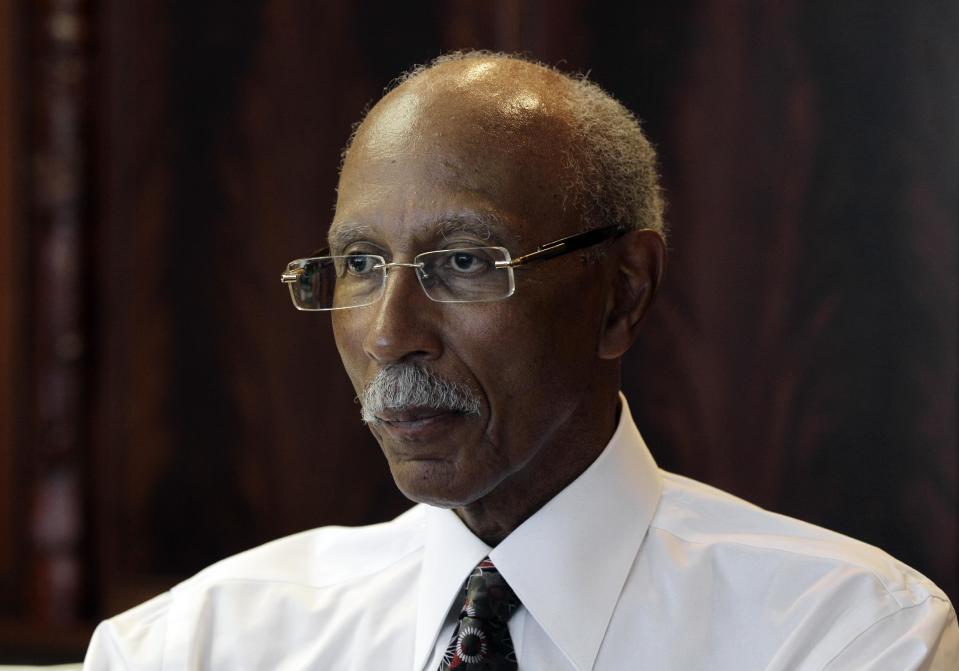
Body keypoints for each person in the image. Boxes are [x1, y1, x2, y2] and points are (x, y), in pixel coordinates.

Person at [83, 51, 957, 670]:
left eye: (462, 262)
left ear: (621, 292)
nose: (390, 333)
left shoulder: (841, 634)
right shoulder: (189, 645)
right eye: (359, 265)